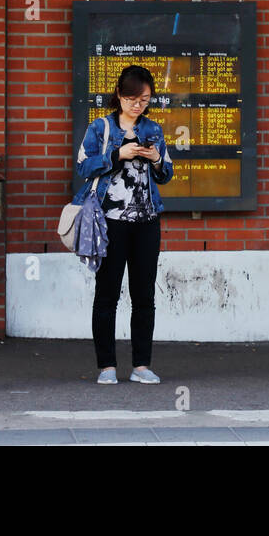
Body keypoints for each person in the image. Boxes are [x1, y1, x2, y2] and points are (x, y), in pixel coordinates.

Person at [73, 64, 174, 385]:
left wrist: (156, 158)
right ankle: (107, 367)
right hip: (109, 222)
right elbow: (83, 167)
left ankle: (141, 365)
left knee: (144, 295)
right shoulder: (100, 127)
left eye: (144, 99)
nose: (138, 105)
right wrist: (118, 154)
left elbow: (166, 174)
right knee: (107, 294)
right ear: (119, 94)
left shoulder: (153, 130)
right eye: (132, 98)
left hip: (147, 220)